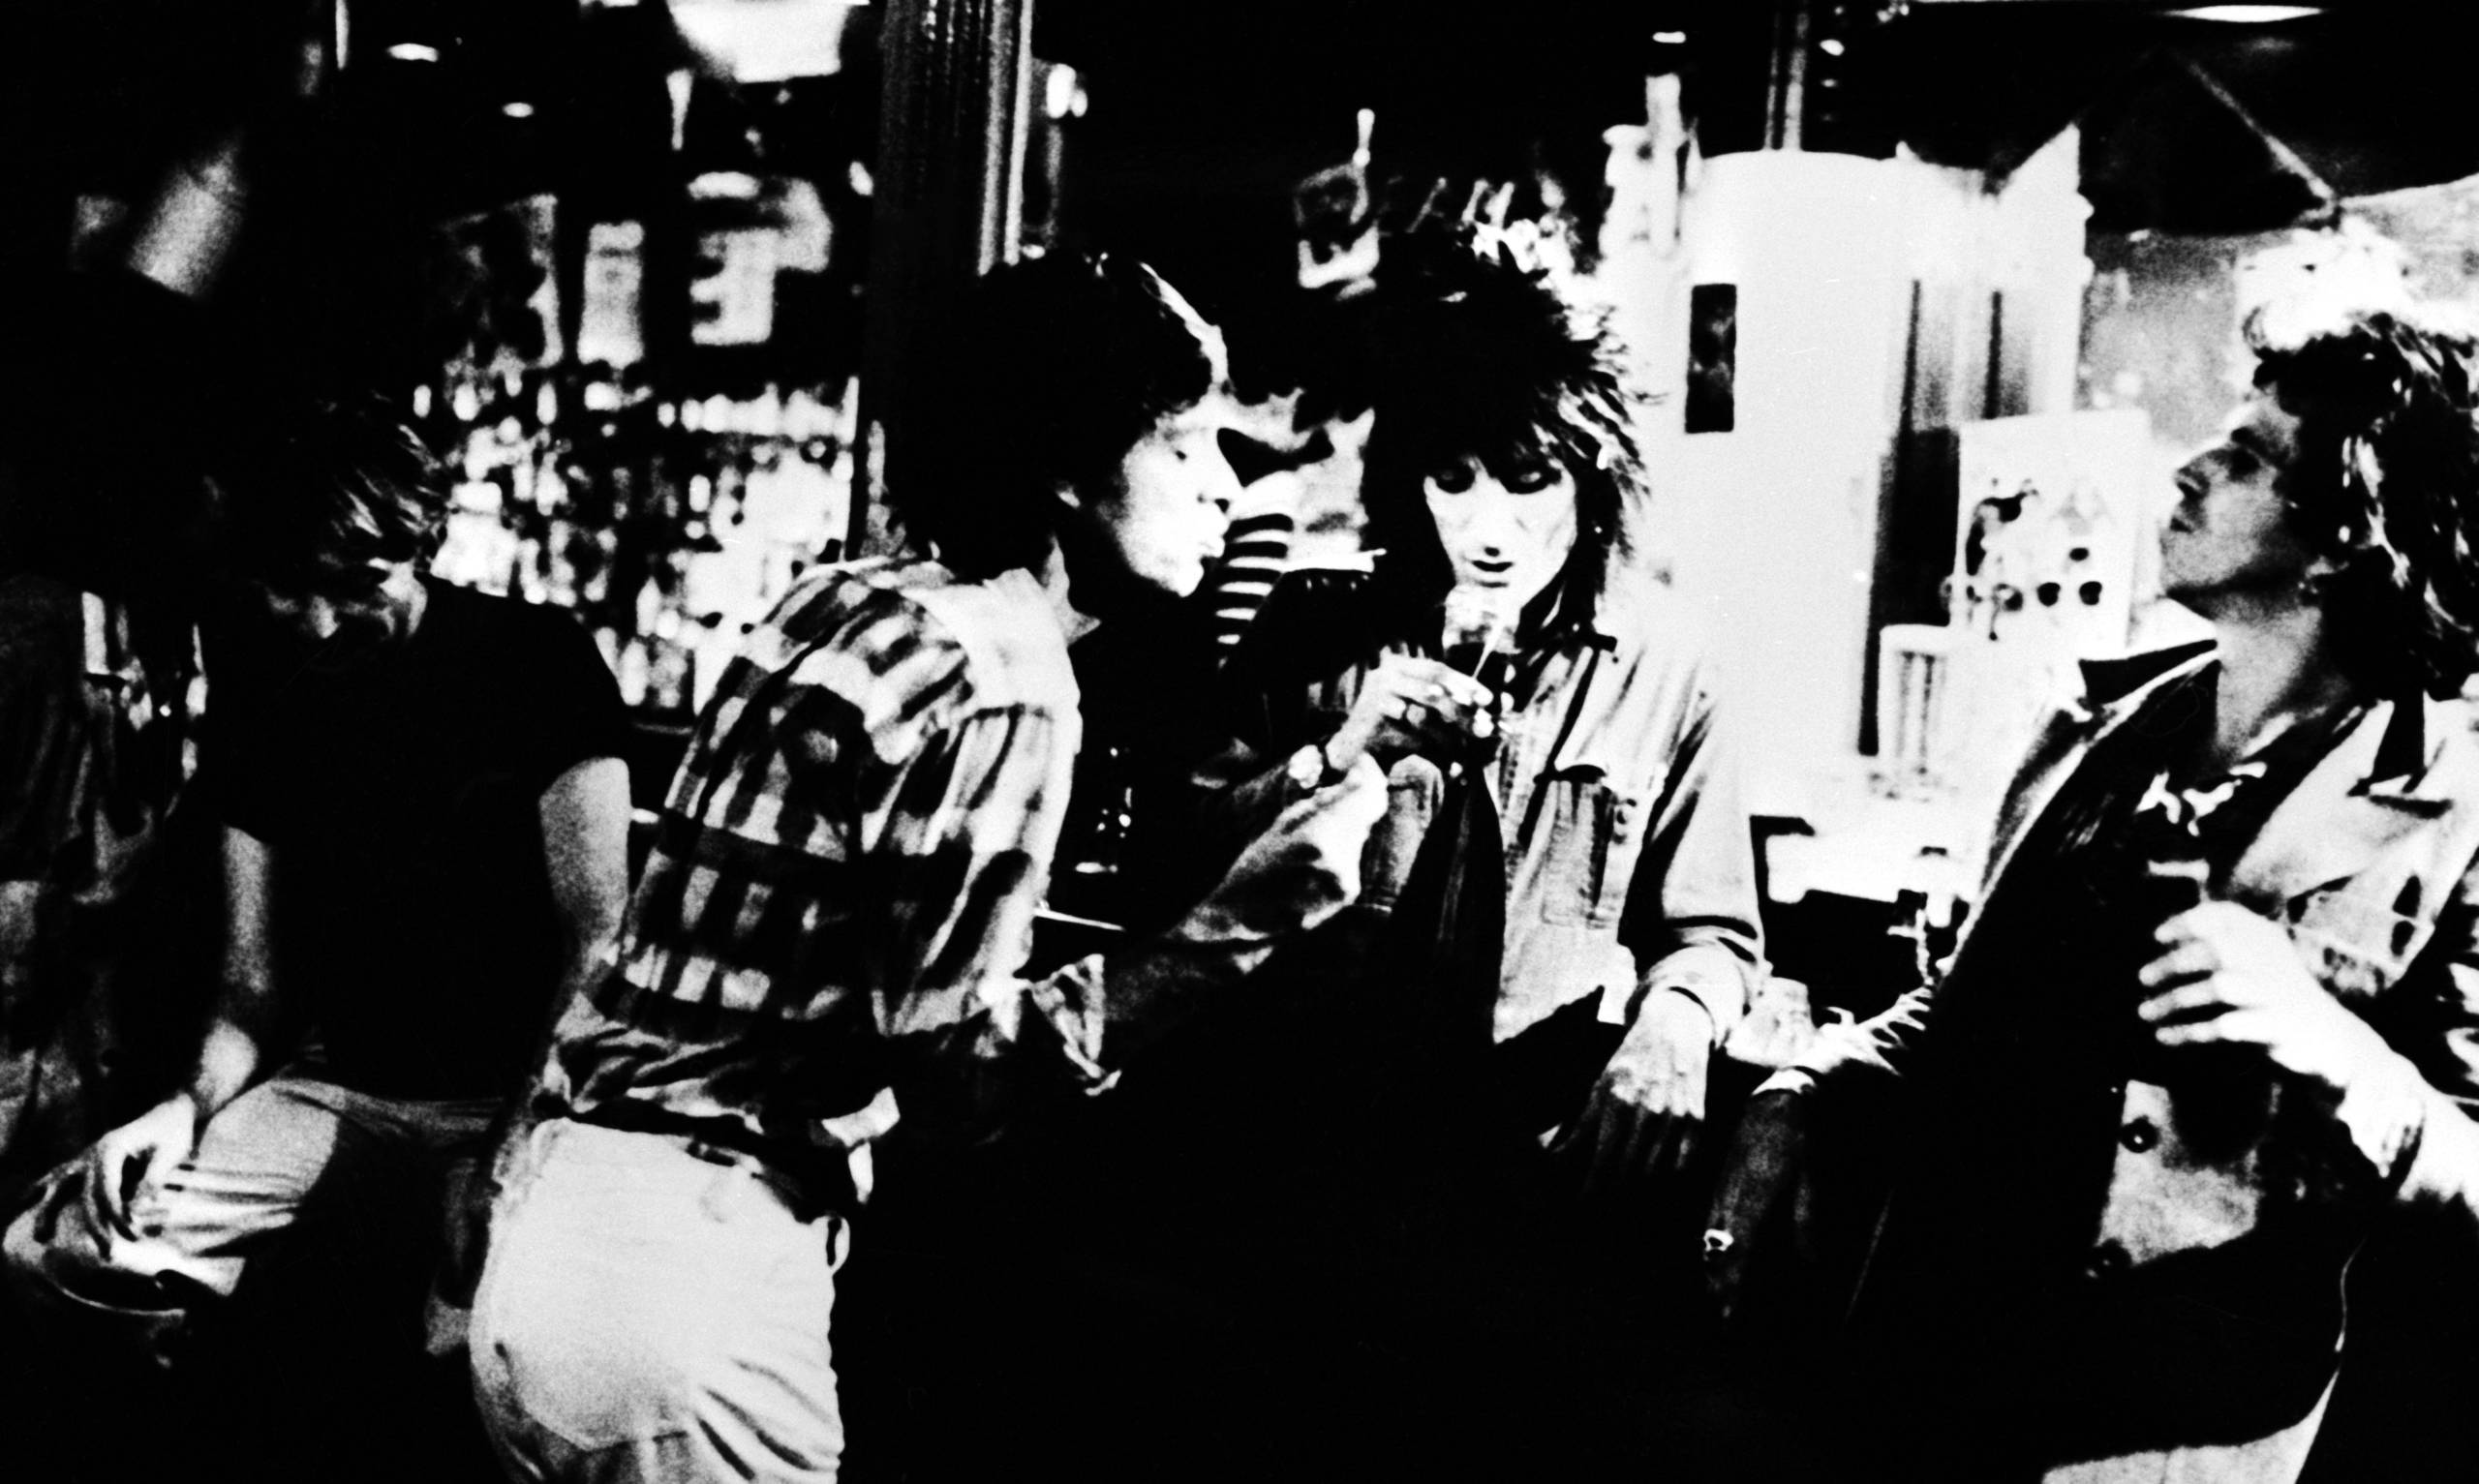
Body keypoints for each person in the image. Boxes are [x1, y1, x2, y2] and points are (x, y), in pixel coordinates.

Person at [464, 252, 1388, 1484]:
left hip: (560, 1233)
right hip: (693, 1283)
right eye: (1182, 446)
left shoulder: (847, 599)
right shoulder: (1006, 678)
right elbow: (962, 1087)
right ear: (1065, 466)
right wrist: (1244, 923)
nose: (1227, 490)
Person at [1717, 306, 2479, 1482]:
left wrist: (2331, 1048)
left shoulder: (2454, 808)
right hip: (1924, 1374)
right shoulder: (2092, 732)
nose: (2188, 468)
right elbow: (1957, 1011)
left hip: (2153, 1434)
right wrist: (1802, 1092)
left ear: (2343, 532)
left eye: (2248, 455)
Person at [1201, 230, 1763, 1473]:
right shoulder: (1314, 621)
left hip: (1523, 1180)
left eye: (1526, 479)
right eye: (1453, 482)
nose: (1491, 528)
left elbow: (1715, 935)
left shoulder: (1673, 663)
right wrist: (1332, 758)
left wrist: (1674, 1022)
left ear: (1590, 475)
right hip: (1299, 1161)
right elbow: (1175, 864)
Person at [1, 402, 631, 1475]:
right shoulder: (276, 708)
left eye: (356, 586)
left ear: (420, 545)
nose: (325, 619)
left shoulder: (535, 662)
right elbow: (249, 992)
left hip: (530, 1095)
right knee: (56, 1247)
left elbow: (594, 939)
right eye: (295, 589)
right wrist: (184, 1109)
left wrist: (510, 1147)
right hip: (345, 1086)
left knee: (520, 1346)